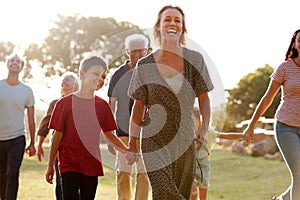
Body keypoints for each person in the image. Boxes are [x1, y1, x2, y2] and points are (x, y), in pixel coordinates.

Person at [127, 5, 214, 199]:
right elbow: (138, 106)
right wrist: (132, 142)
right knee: (164, 190)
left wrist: (204, 129)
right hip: (153, 139)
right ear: (158, 26)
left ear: (182, 28)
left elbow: (204, 97)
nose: (172, 23)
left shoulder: (195, 59)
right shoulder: (145, 64)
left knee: (180, 189)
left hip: (184, 138)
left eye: (177, 20)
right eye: (167, 19)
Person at [45, 56, 129, 200]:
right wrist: (51, 165)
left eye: (103, 76)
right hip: (68, 164)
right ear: (82, 73)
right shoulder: (64, 104)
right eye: (96, 74)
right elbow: (56, 136)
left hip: (92, 165)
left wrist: (127, 151)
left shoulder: (102, 106)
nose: (100, 79)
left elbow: (109, 134)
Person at [243, 29, 300, 200]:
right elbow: (267, 98)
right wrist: (251, 125)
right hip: (286, 127)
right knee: (299, 176)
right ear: (295, 43)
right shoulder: (285, 68)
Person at [107, 34, 150, 200]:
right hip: (123, 131)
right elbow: (110, 106)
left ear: (147, 51)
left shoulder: (152, 72)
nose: (138, 55)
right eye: (134, 51)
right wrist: (111, 137)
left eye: (141, 51)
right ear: (127, 52)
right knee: (123, 172)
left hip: (146, 132)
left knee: (144, 173)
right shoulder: (118, 74)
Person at [37, 72, 79, 200]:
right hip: (59, 149)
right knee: (61, 183)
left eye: (68, 80)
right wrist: (39, 144)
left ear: (76, 85)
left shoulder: (82, 102)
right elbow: (45, 124)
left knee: (77, 183)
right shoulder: (55, 103)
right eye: (63, 81)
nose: (64, 82)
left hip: (78, 150)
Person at [0, 54, 36, 200]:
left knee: (12, 173)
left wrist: (33, 143)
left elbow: (31, 119)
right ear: (7, 64)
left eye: (18, 61)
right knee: (1, 175)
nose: (14, 63)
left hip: (17, 138)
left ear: (22, 67)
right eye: (12, 61)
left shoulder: (27, 91)